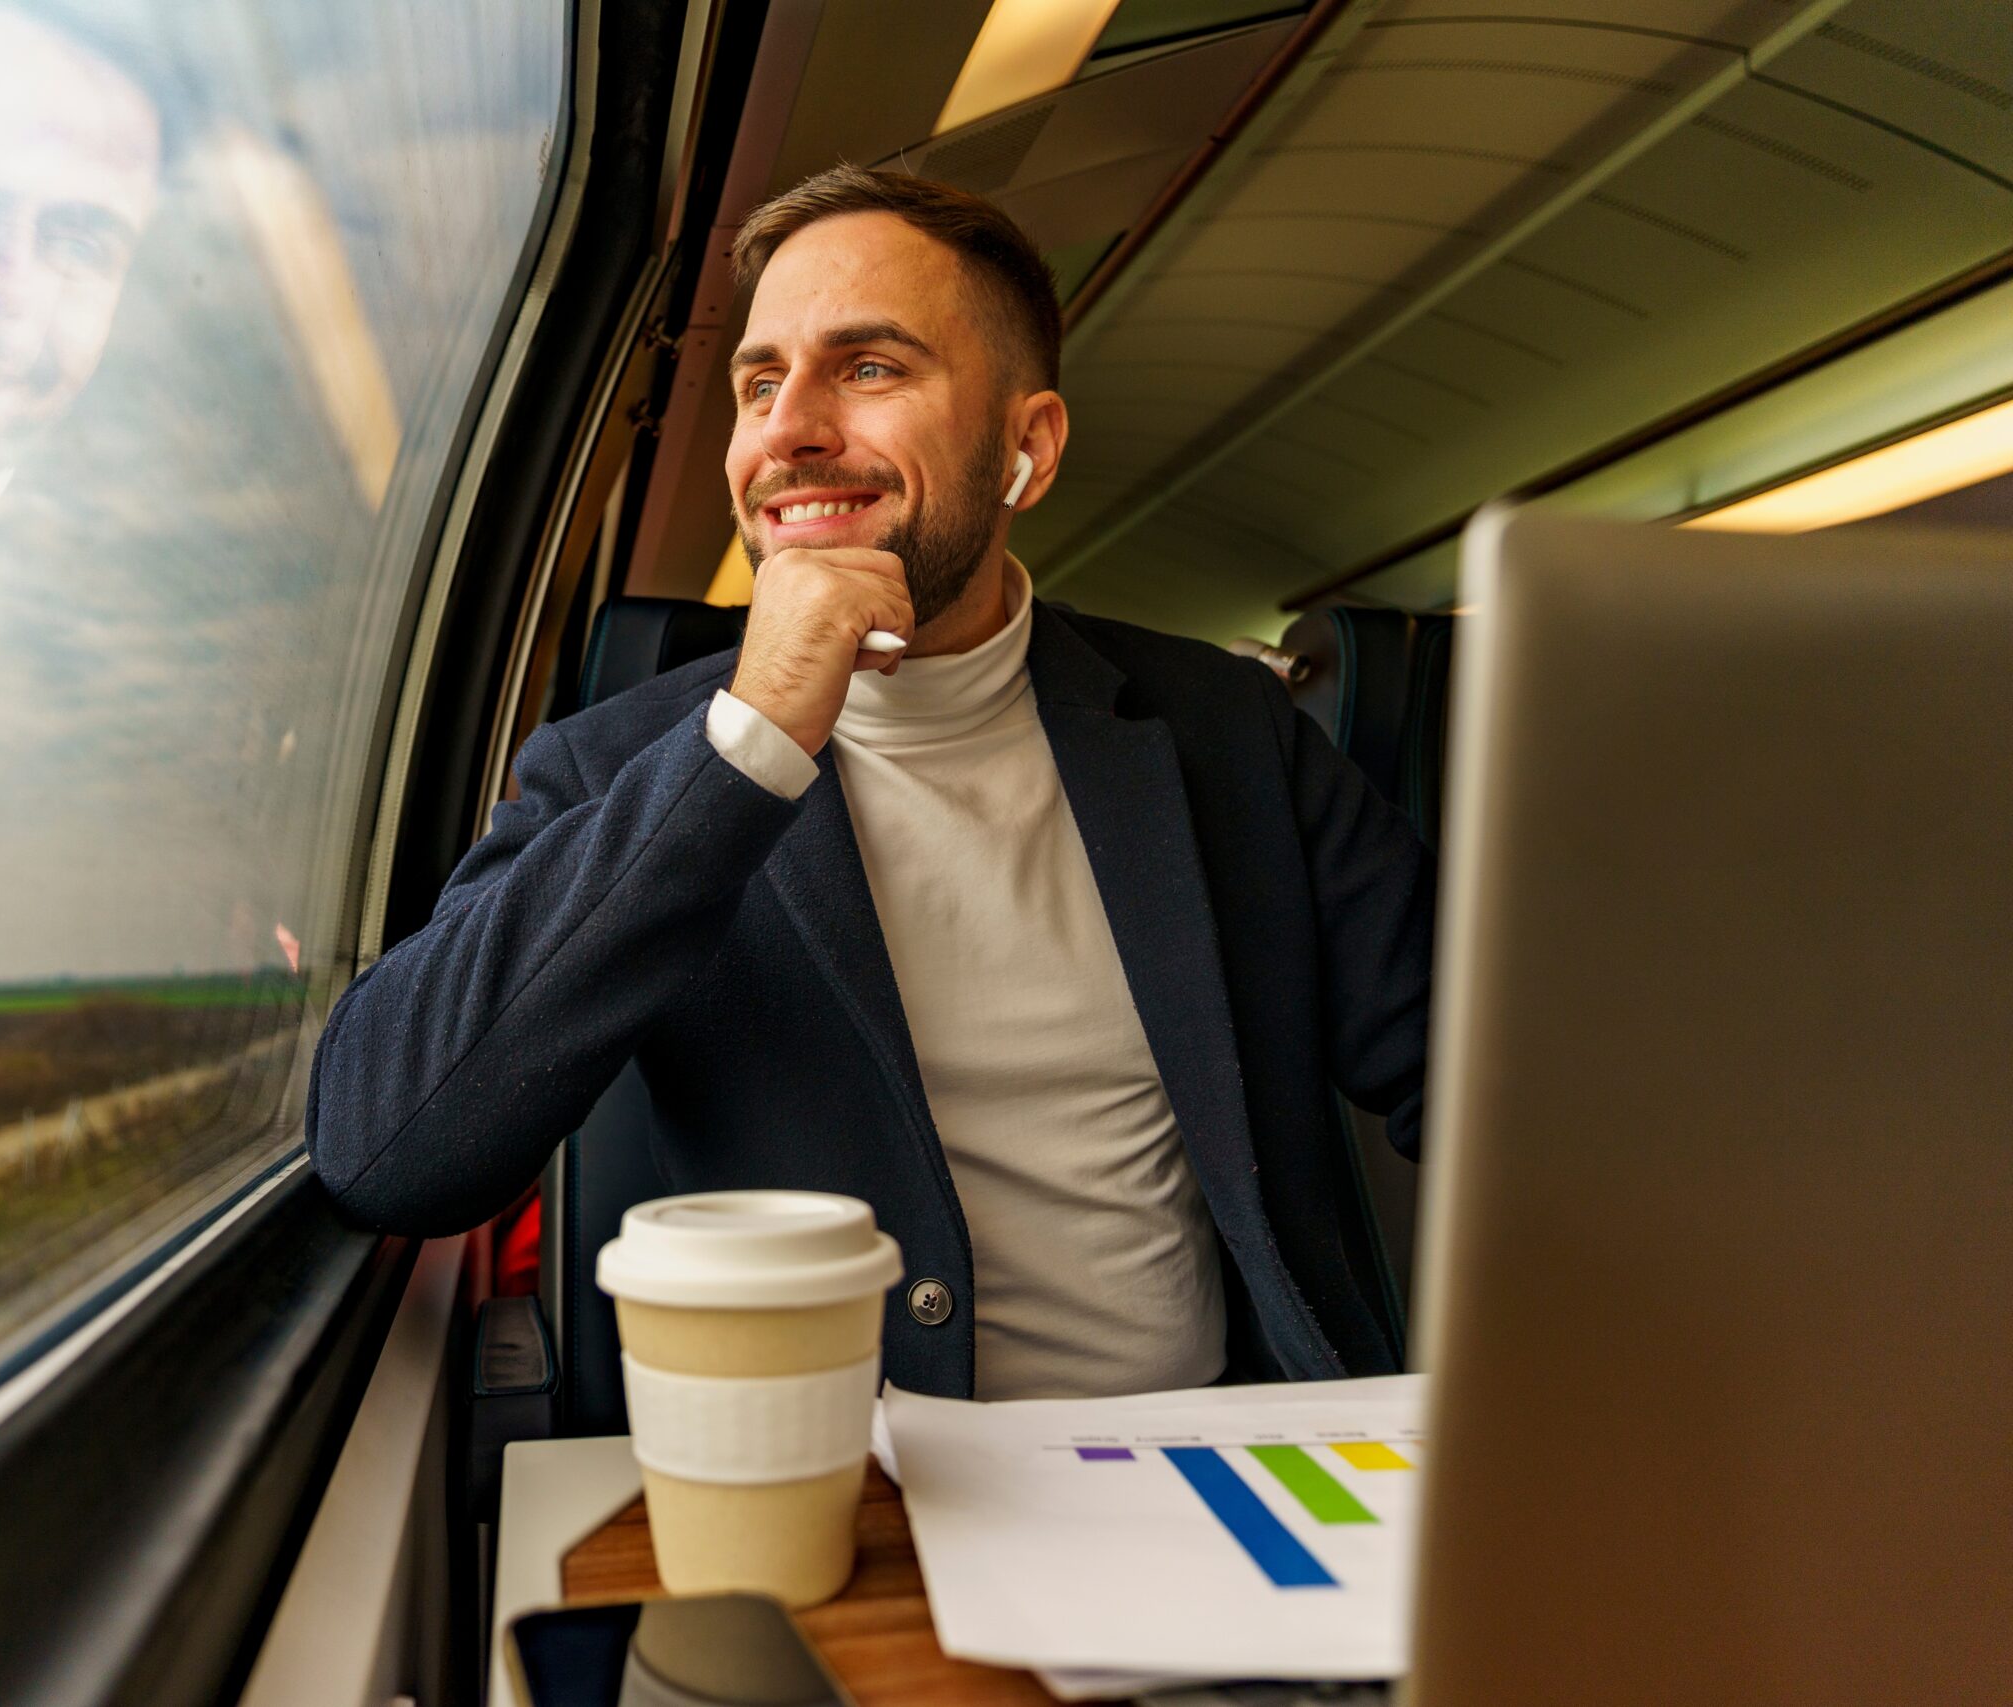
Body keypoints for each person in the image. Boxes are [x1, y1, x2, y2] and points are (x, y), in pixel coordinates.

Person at [307, 165, 1432, 1400]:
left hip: (1203, 1471)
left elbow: (1478, 1072)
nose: (787, 427)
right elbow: (388, 1148)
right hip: (834, 1492)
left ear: (1026, 446)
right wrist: (752, 736)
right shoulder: (618, 765)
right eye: (759, 381)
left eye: (871, 367)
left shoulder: (1222, 732)